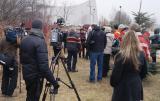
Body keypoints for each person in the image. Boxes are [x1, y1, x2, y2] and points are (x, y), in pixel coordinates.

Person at [20, 19, 59, 101]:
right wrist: (54, 82)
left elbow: (22, 59)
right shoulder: (40, 42)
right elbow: (44, 66)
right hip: (36, 77)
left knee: (30, 96)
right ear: (40, 29)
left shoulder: (24, 40)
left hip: (27, 74)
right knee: (34, 97)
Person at [110, 30, 147, 101]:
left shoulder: (121, 55)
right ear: (136, 40)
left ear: (124, 40)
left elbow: (115, 77)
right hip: (134, 84)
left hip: (123, 87)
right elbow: (144, 72)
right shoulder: (141, 54)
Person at [0, 26, 18, 96]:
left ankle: (4, 91)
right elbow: (20, 45)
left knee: (5, 76)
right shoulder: (15, 39)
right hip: (14, 61)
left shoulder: (2, 40)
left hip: (6, 61)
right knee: (14, 77)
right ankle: (10, 93)